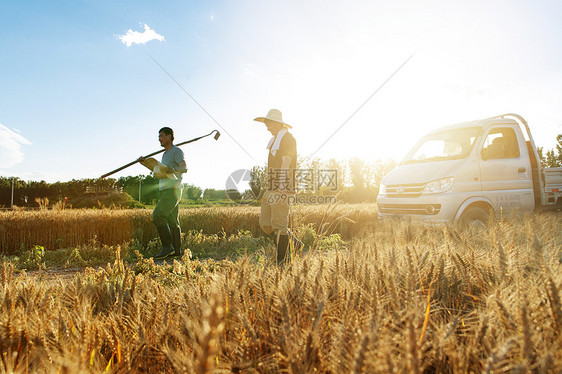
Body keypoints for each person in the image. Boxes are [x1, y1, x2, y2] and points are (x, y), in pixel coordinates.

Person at [254, 109, 300, 264]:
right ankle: (296, 244)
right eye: (266, 124)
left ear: (277, 123)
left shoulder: (288, 139)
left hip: (283, 186)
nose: (267, 127)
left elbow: (286, 161)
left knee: (279, 225)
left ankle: (282, 261)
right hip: (272, 186)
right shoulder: (275, 140)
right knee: (265, 223)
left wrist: (281, 184)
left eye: (269, 124)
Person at [138, 127, 187, 259]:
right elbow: (159, 170)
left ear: (170, 136)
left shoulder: (176, 151)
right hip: (165, 190)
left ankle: (167, 247)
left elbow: (184, 168)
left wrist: (174, 169)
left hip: (173, 190)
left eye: (162, 136)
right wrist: (145, 163)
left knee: (158, 215)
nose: (160, 138)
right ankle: (176, 252)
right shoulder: (165, 155)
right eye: (159, 136)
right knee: (173, 222)